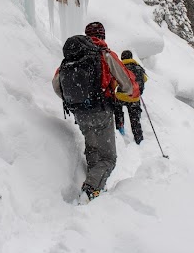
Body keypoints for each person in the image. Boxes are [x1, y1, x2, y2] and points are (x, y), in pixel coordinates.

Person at [52, 22, 139, 203]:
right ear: (102, 36)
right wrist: (130, 92)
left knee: (93, 149)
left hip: (80, 113)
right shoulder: (105, 54)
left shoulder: (71, 57)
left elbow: (56, 84)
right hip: (101, 110)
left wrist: (75, 101)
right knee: (109, 158)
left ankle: (96, 185)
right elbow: (128, 85)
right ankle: (91, 191)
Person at [114, 50, 147, 145]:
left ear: (122, 58)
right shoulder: (138, 67)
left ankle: (120, 130)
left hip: (121, 96)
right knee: (135, 119)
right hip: (135, 97)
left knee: (118, 112)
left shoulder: (120, 68)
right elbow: (145, 79)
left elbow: (115, 82)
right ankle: (138, 139)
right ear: (131, 57)